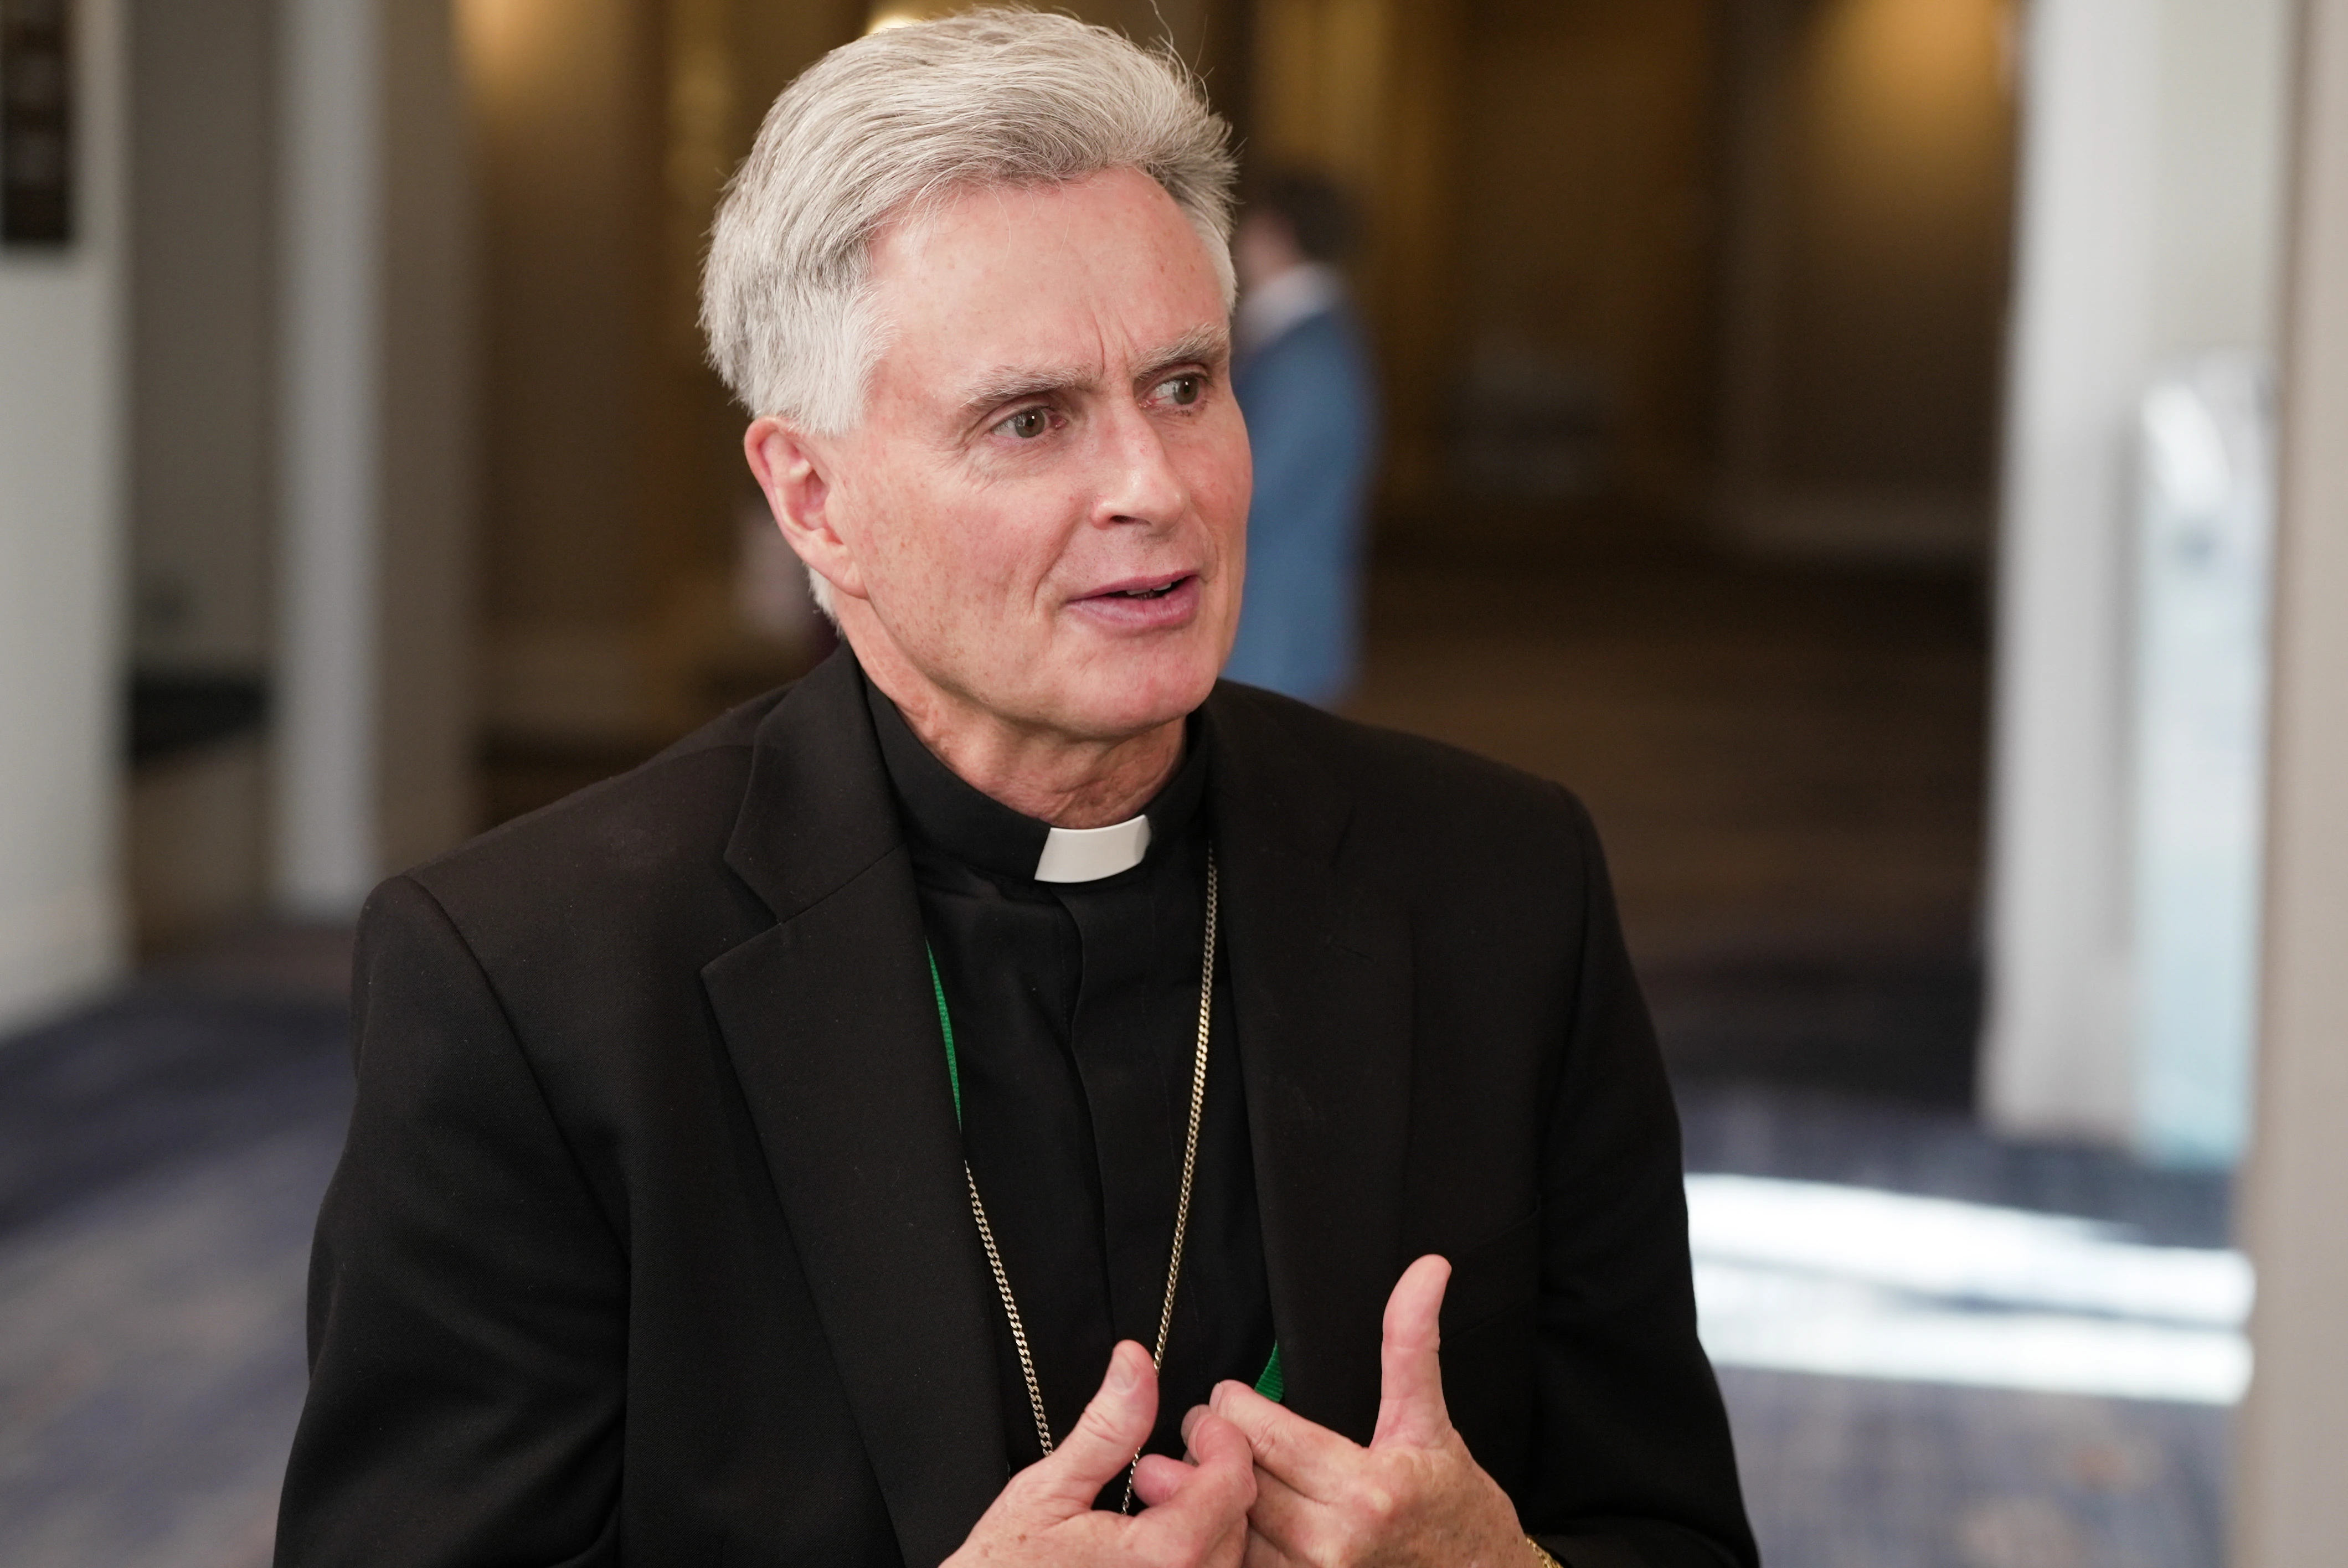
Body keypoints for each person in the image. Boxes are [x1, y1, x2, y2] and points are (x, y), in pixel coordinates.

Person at [274, 13, 1755, 1568]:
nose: (1155, 487)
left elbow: (1669, 1530)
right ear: (814, 497)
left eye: (1187, 385)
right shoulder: (531, 978)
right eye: (1029, 418)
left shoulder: (1502, 887)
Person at [1222, 173, 1380, 707]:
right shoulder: (1310, 338)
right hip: (1273, 621)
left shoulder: (1306, 354)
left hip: (1272, 625)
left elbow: (1258, 487)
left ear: (1273, 232)